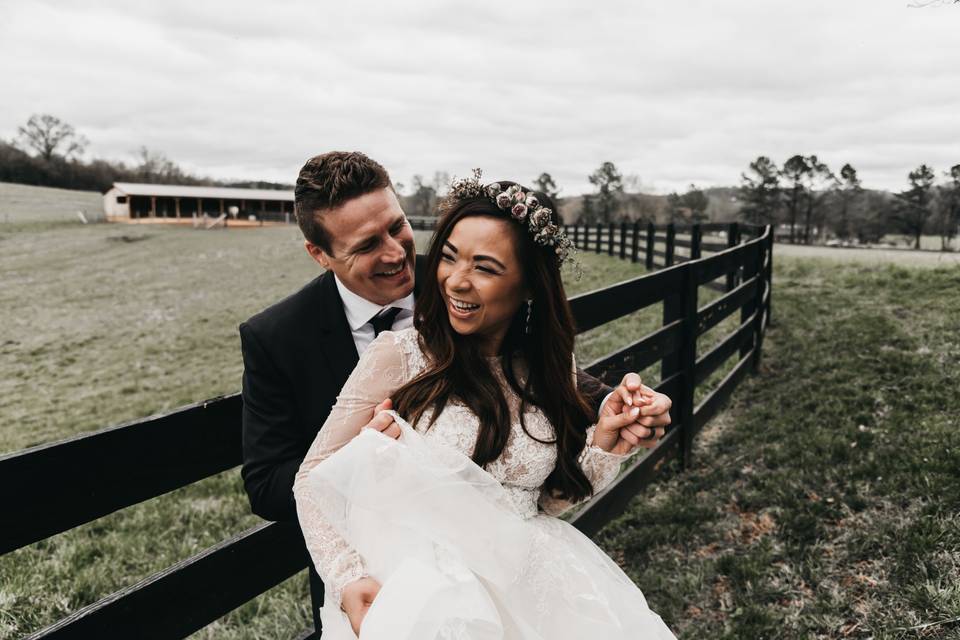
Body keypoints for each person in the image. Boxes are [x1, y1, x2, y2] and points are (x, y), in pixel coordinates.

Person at [239, 153, 672, 629]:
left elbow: (542, 393)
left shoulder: (462, 273)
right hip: (401, 591)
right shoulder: (281, 337)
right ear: (320, 254)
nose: (395, 254)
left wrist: (625, 412)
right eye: (366, 245)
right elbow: (276, 483)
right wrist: (372, 461)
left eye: (397, 226)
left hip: (526, 587)